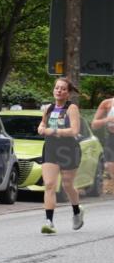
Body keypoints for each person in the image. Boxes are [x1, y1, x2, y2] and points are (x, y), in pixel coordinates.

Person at [37, 77, 83, 234]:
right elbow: (43, 123)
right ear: (53, 90)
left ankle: (77, 211)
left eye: (63, 89)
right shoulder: (48, 108)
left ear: (68, 93)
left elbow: (74, 131)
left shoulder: (71, 108)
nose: (59, 91)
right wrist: (41, 128)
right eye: (57, 88)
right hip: (50, 148)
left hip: (68, 149)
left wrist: (54, 131)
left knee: (67, 185)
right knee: (49, 184)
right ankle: (49, 222)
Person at [90, 95, 114, 195]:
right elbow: (94, 124)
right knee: (109, 165)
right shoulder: (107, 103)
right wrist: (107, 119)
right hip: (112, 137)